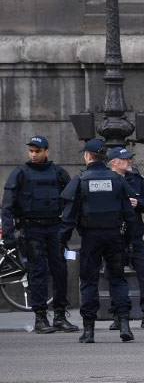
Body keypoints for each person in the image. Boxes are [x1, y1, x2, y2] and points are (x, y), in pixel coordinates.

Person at [58, 139, 136, 343]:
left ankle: (89, 330)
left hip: (91, 238)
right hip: (113, 236)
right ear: (105, 158)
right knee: (118, 279)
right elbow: (129, 214)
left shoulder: (80, 180)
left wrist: (61, 241)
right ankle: (124, 324)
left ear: (87, 156)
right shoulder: (117, 180)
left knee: (89, 281)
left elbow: (68, 216)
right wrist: (129, 241)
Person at [1, 135, 78, 334]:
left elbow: (72, 200)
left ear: (46, 152)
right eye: (31, 151)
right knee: (38, 273)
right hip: (32, 229)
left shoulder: (58, 172)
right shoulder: (20, 173)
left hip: (54, 228)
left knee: (60, 271)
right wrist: (9, 235)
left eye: (37, 151)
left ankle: (60, 316)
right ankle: (40, 318)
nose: (33, 155)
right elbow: (7, 207)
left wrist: (67, 227)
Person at [105, 147, 144, 330]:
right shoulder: (104, 180)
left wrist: (138, 203)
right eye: (125, 159)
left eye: (129, 158)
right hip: (114, 237)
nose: (129, 161)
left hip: (135, 236)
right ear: (114, 162)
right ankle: (118, 315)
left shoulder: (137, 180)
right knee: (114, 275)